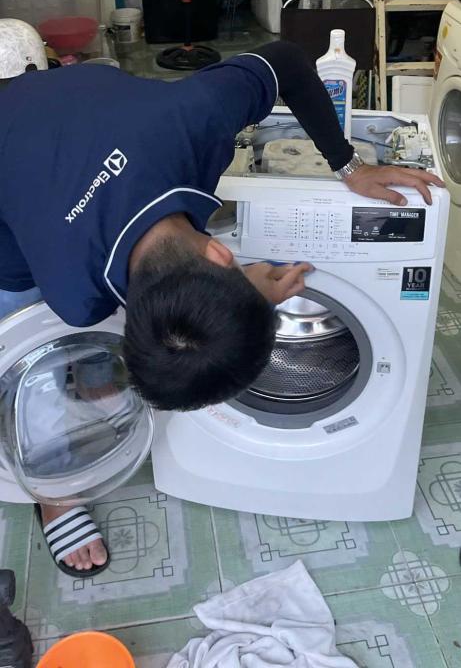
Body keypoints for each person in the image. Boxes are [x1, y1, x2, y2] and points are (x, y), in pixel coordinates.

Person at [0, 40, 443, 577]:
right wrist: (237, 301)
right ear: (219, 252)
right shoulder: (68, 291)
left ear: (221, 255)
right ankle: (57, 494)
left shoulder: (197, 116)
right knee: (23, 330)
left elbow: (288, 60)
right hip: (14, 161)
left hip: (85, 114)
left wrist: (348, 165)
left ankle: (92, 392)